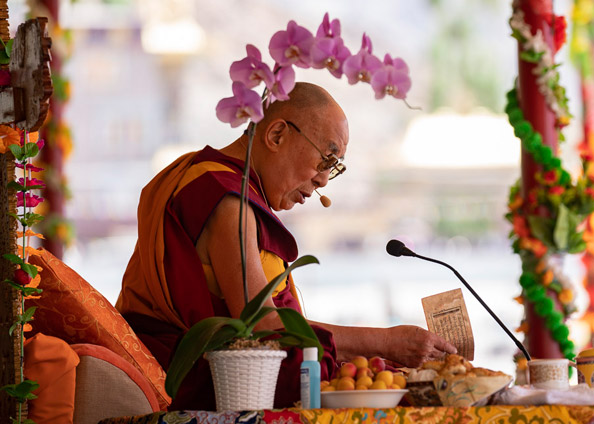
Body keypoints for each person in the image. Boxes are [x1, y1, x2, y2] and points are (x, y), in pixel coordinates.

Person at [116, 82, 456, 410]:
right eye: (326, 158)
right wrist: (384, 342)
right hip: (211, 381)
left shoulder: (218, 185)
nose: (323, 180)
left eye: (333, 168)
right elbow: (263, 328)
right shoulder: (223, 198)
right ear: (276, 135)